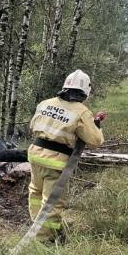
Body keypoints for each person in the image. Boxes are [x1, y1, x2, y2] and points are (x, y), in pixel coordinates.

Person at [27, 70, 106, 240]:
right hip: (55, 162)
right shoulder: (81, 111)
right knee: (52, 202)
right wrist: (96, 125)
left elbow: (33, 126)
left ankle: (36, 226)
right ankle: (44, 240)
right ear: (85, 92)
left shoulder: (45, 103)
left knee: (36, 193)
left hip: (35, 155)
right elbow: (95, 141)